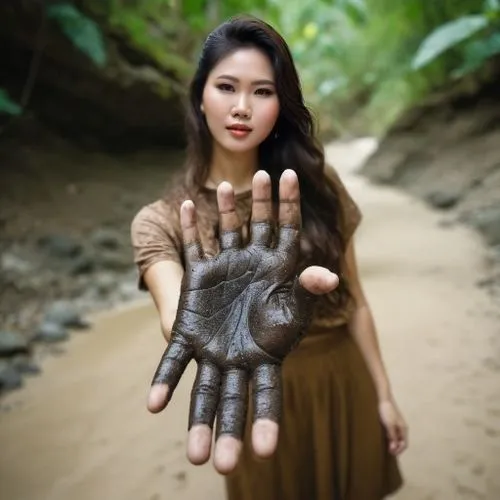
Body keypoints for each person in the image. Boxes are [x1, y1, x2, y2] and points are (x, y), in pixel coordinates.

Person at [131, 14, 407, 500]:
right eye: (226, 87)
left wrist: (384, 395)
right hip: (255, 396)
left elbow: (357, 303)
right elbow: (177, 312)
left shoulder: (318, 190)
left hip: (343, 383)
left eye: (263, 91)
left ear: (281, 104)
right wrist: (207, 323)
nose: (242, 107)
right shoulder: (167, 219)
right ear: (201, 96)